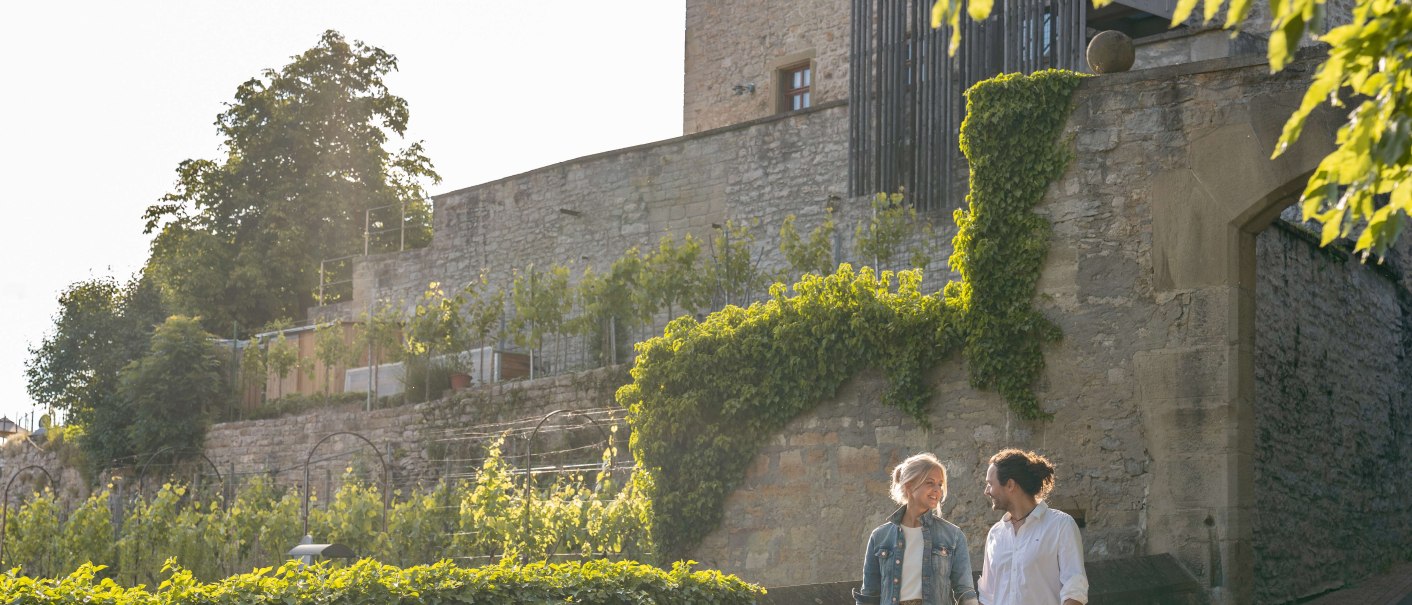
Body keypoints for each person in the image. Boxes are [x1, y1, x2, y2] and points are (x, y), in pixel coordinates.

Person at [855, 453, 980, 605]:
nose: (937, 490)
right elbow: (869, 594)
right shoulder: (880, 537)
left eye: (940, 484)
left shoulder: (953, 535)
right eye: (930, 483)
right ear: (909, 486)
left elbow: (965, 591)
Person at [978, 448, 1088, 605]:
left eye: (990, 484)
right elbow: (987, 596)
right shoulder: (995, 534)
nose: (986, 491)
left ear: (1010, 485)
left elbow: (1075, 591)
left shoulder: (1061, 526)